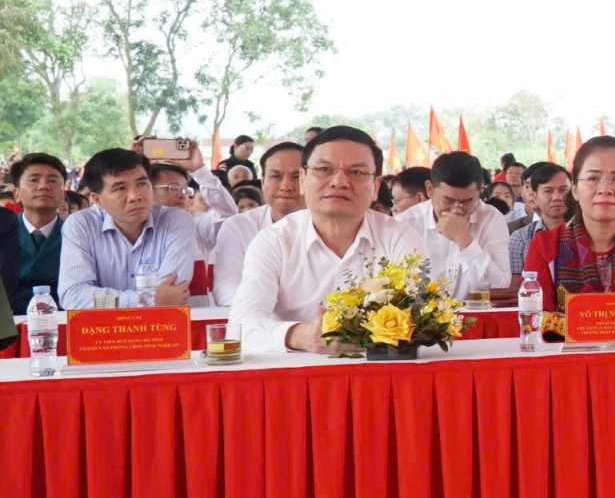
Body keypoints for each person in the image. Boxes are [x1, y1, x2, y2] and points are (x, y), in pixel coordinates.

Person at [230, 127, 454, 353]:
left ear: (375, 187)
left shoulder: (399, 236)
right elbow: (240, 327)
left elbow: (424, 314)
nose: (339, 182)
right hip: (296, 378)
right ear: (303, 180)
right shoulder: (274, 241)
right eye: (324, 169)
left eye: (356, 172)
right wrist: (299, 336)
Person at [520, 136, 615, 303]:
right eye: (593, 178)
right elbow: (538, 317)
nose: (605, 189)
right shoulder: (545, 245)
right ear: (575, 189)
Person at [57, 148, 198, 308]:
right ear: (97, 199)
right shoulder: (81, 225)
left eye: (142, 184)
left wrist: (107, 302)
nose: (135, 196)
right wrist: (144, 301)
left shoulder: (177, 220)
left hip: (161, 328)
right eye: (120, 188)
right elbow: (73, 296)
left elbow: (173, 292)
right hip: (101, 330)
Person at [397, 151, 510, 294]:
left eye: (467, 201)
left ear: (480, 191)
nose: (457, 209)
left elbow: (500, 285)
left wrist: (464, 240)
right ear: (430, 189)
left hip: (475, 313)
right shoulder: (406, 224)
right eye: (448, 200)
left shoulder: (491, 218)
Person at [209, 140, 305, 307]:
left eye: (296, 177)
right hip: (253, 324)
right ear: (262, 182)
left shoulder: (333, 226)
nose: (286, 186)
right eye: (276, 176)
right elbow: (226, 289)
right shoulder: (238, 226)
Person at [8, 152, 66, 313]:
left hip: (63, 323)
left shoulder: (76, 236)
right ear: (16, 193)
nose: (43, 186)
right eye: (34, 180)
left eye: (53, 180)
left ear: (63, 193)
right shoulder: (4, 232)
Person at [506, 162, 571, 280]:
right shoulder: (521, 237)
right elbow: (516, 287)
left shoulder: (588, 233)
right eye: (548, 191)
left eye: (563, 190)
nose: (557, 197)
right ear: (535, 197)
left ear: (575, 192)